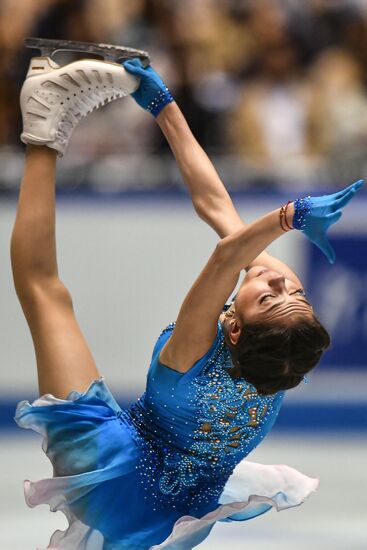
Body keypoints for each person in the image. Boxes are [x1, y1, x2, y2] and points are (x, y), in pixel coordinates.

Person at [13, 53, 363, 550]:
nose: (278, 278)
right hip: (187, 500)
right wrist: (161, 103)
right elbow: (217, 207)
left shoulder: (194, 351)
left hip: (117, 473)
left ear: (234, 329)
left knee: (45, 291)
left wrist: (289, 216)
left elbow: (227, 254)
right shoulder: (283, 348)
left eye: (270, 294)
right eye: (295, 291)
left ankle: (43, 128)